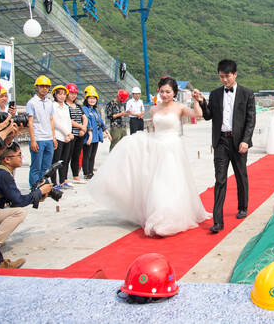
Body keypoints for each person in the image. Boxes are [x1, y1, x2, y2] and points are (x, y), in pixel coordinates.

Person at [89, 77, 212, 237]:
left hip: (172, 147)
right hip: (156, 146)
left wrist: (196, 101)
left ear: (174, 92)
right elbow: (156, 130)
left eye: (168, 92)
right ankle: (158, 216)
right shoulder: (154, 109)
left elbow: (198, 113)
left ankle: (170, 217)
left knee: (171, 181)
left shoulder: (179, 107)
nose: (165, 94)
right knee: (156, 182)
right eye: (162, 91)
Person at [196, 60, 256, 233]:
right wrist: (202, 102)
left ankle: (242, 206)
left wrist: (246, 140)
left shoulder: (247, 94)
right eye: (221, 76)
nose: (224, 80)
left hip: (239, 142)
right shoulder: (215, 95)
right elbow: (208, 116)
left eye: (227, 76)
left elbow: (251, 120)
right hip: (221, 141)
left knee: (240, 175)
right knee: (220, 179)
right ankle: (218, 221)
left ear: (235, 74)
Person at [0, 141, 52, 269]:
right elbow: (18, 201)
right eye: (19, 155)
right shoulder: (3, 175)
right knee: (19, 212)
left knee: (13, 209)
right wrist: (38, 192)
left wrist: (37, 196)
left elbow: (14, 199)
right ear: (7, 160)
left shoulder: (3, 171)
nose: (22, 157)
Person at [26, 75, 57, 187]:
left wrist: (54, 137)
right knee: (36, 167)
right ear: (37, 87)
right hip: (38, 138)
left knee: (46, 167)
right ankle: (34, 187)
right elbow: (30, 122)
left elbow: (51, 120)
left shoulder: (49, 103)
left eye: (47, 86)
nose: (44, 88)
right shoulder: (32, 103)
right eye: (42, 86)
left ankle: (43, 187)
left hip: (48, 138)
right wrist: (33, 140)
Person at [82, 88, 111, 180]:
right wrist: (89, 134)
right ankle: (86, 173)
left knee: (93, 155)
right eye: (90, 98)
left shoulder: (95, 110)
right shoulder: (85, 109)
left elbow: (101, 121)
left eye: (94, 98)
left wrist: (106, 131)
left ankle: (90, 172)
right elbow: (87, 121)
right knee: (87, 155)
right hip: (89, 136)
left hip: (96, 136)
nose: (92, 100)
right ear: (86, 99)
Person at [64, 83, 88, 184]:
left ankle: (75, 175)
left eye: (75, 93)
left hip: (80, 134)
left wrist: (84, 128)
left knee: (76, 155)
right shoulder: (64, 106)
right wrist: (81, 127)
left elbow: (84, 117)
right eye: (71, 93)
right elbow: (68, 120)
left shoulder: (78, 106)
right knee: (67, 156)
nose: (73, 95)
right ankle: (64, 177)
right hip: (70, 134)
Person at [51, 85, 74, 189]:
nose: (62, 96)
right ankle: (54, 183)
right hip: (59, 136)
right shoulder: (53, 106)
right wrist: (67, 133)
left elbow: (68, 121)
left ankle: (62, 180)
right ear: (55, 95)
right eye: (59, 94)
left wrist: (69, 134)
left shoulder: (66, 107)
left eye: (64, 94)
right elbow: (55, 122)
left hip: (66, 137)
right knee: (55, 161)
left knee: (64, 160)